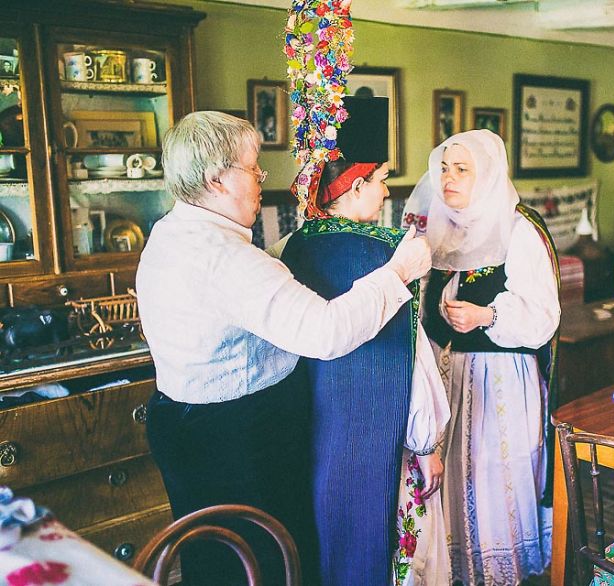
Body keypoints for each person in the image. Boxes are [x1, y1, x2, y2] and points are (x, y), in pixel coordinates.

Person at [135, 110, 431, 586]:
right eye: (253, 169)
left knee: (212, 559)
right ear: (217, 179)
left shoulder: (172, 232)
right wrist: (398, 273)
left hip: (180, 421)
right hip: (234, 438)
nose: (259, 179)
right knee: (262, 563)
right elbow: (327, 332)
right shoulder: (227, 258)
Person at [277, 97, 451, 586]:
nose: (386, 189)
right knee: (388, 548)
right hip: (383, 430)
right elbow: (410, 357)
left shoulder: (291, 247)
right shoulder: (392, 251)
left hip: (317, 432)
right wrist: (426, 443)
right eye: (380, 179)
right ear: (356, 185)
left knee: (331, 539)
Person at [404, 129, 561, 585]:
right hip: (446, 379)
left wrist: (486, 315)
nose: (449, 179)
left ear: (488, 175)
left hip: (500, 380)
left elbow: (542, 316)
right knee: (454, 479)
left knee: (493, 476)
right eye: (445, 168)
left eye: (463, 169)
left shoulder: (519, 230)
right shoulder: (436, 229)